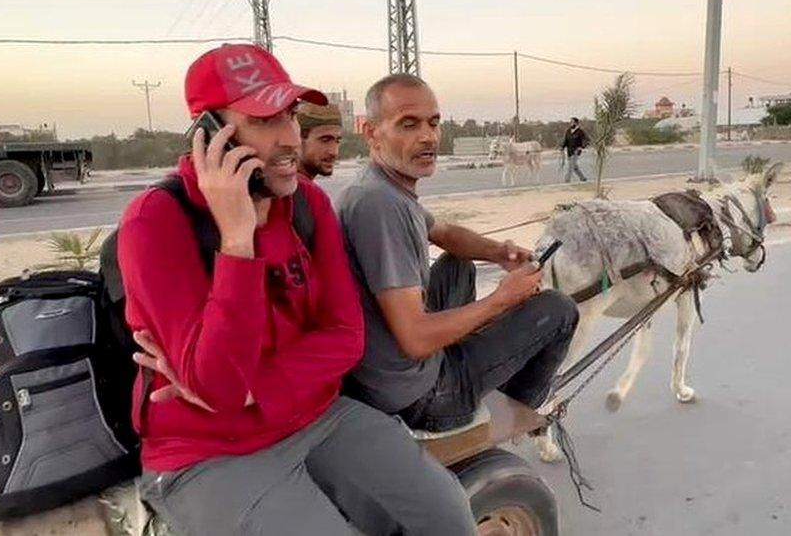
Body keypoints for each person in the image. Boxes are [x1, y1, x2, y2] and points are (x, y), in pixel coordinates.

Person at [117, 46, 474, 536]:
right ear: (208, 133)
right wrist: (238, 242)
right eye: (264, 120)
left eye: (288, 115)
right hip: (209, 451)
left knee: (447, 514)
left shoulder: (306, 204)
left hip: (318, 416)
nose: (289, 139)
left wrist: (254, 392)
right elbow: (219, 389)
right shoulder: (156, 221)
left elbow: (346, 336)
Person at [335, 74, 580, 433]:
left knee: (458, 265)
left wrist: (499, 252)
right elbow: (415, 338)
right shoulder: (381, 205)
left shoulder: (378, 184)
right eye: (408, 124)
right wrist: (502, 298)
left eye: (433, 123)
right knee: (559, 309)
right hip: (422, 396)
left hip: (384, 370)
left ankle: (473, 362)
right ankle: (515, 413)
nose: (428, 137)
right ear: (372, 133)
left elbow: (445, 233)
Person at [297, 101, 343, 179]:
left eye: (337, 141)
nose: (334, 152)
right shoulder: (286, 189)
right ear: (298, 139)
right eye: (325, 140)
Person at [561, 117, 590, 183]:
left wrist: (582, 147)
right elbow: (566, 140)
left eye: (572, 122)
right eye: (570, 122)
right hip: (569, 151)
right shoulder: (568, 131)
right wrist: (562, 147)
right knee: (575, 167)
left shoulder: (580, 131)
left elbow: (587, 140)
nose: (571, 123)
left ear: (576, 123)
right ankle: (583, 178)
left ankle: (567, 180)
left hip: (576, 151)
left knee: (570, 166)